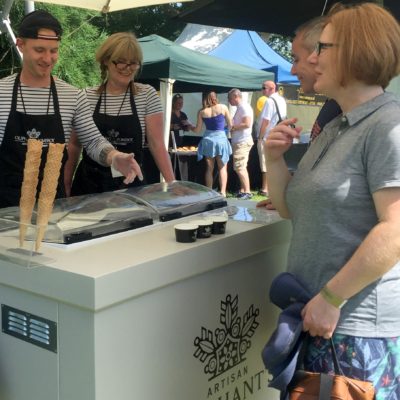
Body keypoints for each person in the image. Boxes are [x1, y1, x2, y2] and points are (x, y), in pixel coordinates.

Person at [265, 3, 400, 398]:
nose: (310, 59)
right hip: (320, 321)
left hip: (355, 332)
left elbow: (396, 229)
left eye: (322, 48)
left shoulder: (387, 125)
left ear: (356, 51)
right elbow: (290, 208)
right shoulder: (337, 125)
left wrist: (331, 296)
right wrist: (274, 160)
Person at [0, 10, 142, 208]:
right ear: (21, 45)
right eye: (39, 50)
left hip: (52, 206)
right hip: (5, 208)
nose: (48, 58)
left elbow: (92, 141)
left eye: (53, 51)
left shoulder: (72, 95)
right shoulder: (2, 92)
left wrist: (114, 157)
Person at [65, 32, 174, 196]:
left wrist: (173, 184)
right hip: (89, 185)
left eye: (133, 63)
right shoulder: (86, 96)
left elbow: (157, 144)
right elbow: (74, 145)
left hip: (131, 184)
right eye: (121, 62)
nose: (127, 68)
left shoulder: (147, 95)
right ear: (106, 61)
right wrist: (66, 184)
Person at [257, 16, 342, 210]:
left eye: (296, 59)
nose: (292, 70)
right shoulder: (332, 107)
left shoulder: (356, 116)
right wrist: (293, 195)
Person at [191, 91, 232, 197]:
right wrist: (225, 130)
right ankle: (222, 192)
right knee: (222, 168)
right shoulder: (223, 107)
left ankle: (209, 192)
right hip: (221, 140)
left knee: (209, 169)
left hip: (208, 140)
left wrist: (190, 126)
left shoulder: (202, 112)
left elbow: (197, 130)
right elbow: (230, 124)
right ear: (215, 97)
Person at [256, 80, 287, 196]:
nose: (262, 90)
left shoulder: (269, 101)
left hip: (268, 136)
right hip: (278, 135)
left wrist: (260, 137)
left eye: (264, 87)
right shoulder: (282, 100)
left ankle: (265, 188)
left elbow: (266, 121)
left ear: (271, 88)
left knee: (265, 163)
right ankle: (276, 187)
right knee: (275, 162)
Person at [227, 88, 254, 200]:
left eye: (229, 98)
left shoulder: (244, 107)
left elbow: (247, 123)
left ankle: (247, 192)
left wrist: (233, 127)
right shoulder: (241, 107)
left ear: (235, 96)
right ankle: (243, 190)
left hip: (242, 141)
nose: (229, 101)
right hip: (240, 141)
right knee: (240, 166)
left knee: (240, 167)